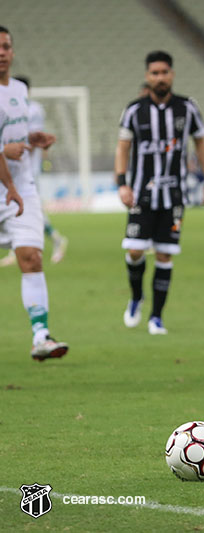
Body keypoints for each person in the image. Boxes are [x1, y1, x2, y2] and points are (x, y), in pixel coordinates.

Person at [115, 51, 204, 335]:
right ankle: (136, 297)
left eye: (164, 72)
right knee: (134, 250)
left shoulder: (188, 108)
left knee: (164, 254)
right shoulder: (134, 110)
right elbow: (122, 148)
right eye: (155, 73)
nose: (160, 77)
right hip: (140, 194)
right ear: (148, 77)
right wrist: (122, 183)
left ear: (172, 74)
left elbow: (201, 144)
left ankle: (156, 317)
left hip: (174, 195)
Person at [0, 25, 68, 361]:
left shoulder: (17, 91)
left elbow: (15, 138)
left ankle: (41, 335)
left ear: (12, 52)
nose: (2, 52)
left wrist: (32, 140)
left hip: (20, 188)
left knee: (31, 257)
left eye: (6, 46)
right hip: (8, 188)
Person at [0, 76, 68, 268]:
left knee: (29, 209)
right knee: (20, 210)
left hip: (25, 172)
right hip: (5, 169)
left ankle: (55, 239)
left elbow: (28, 142)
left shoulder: (34, 109)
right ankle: (19, 248)